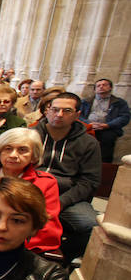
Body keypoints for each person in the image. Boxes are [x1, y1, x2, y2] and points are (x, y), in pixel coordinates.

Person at [34, 92, 102, 265]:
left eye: (67, 111)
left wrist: (61, 202)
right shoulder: (30, 134)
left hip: (65, 196)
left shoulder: (88, 143)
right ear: (47, 111)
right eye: (55, 109)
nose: (59, 115)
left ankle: (56, 263)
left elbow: (89, 181)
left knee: (92, 227)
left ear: (77, 115)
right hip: (30, 191)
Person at [80, 78, 130, 163]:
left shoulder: (119, 102)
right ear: (95, 89)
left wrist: (108, 125)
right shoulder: (86, 101)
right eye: (98, 86)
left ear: (110, 88)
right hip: (88, 127)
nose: (101, 87)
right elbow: (78, 115)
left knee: (107, 142)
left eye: (104, 85)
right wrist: (89, 124)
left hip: (108, 129)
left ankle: (104, 165)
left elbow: (124, 117)